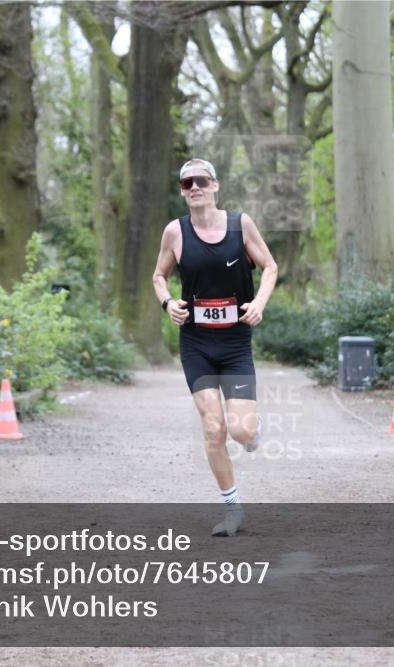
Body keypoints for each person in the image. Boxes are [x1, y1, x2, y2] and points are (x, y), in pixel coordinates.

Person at [152, 158, 278, 537]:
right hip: (196, 344)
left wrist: (258, 303)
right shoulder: (175, 232)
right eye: (187, 182)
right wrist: (168, 303)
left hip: (236, 343)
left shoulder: (241, 225)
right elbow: (159, 275)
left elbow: (270, 267)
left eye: (201, 181)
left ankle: (254, 435)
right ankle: (232, 509)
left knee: (241, 432)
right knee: (213, 429)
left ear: (215, 185)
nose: (194, 187)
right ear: (181, 190)